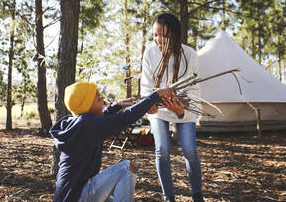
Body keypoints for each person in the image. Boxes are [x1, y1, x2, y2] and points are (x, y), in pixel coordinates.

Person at [49, 81, 175, 202]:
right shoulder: (87, 125)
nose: (102, 100)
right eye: (98, 98)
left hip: (71, 196)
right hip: (78, 196)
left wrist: (116, 106)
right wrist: (156, 95)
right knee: (126, 168)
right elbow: (125, 118)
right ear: (86, 105)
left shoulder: (78, 125)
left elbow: (101, 117)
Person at [141, 13, 204, 202]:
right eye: (155, 35)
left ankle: (197, 194)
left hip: (184, 109)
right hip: (158, 109)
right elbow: (146, 85)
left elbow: (194, 90)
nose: (158, 40)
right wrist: (148, 104)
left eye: (164, 36)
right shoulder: (150, 52)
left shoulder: (190, 54)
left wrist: (181, 110)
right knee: (162, 149)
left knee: (189, 150)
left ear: (176, 36)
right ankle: (169, 196)